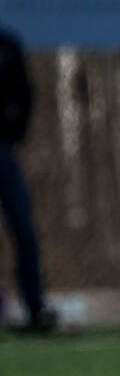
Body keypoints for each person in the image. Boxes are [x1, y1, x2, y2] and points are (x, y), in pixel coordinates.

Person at [0, 26, 55, 332]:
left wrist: (14, 131)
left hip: (3, 151)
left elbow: (24, 93)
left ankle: (34, 306)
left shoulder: (8, 46)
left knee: (23, 226)